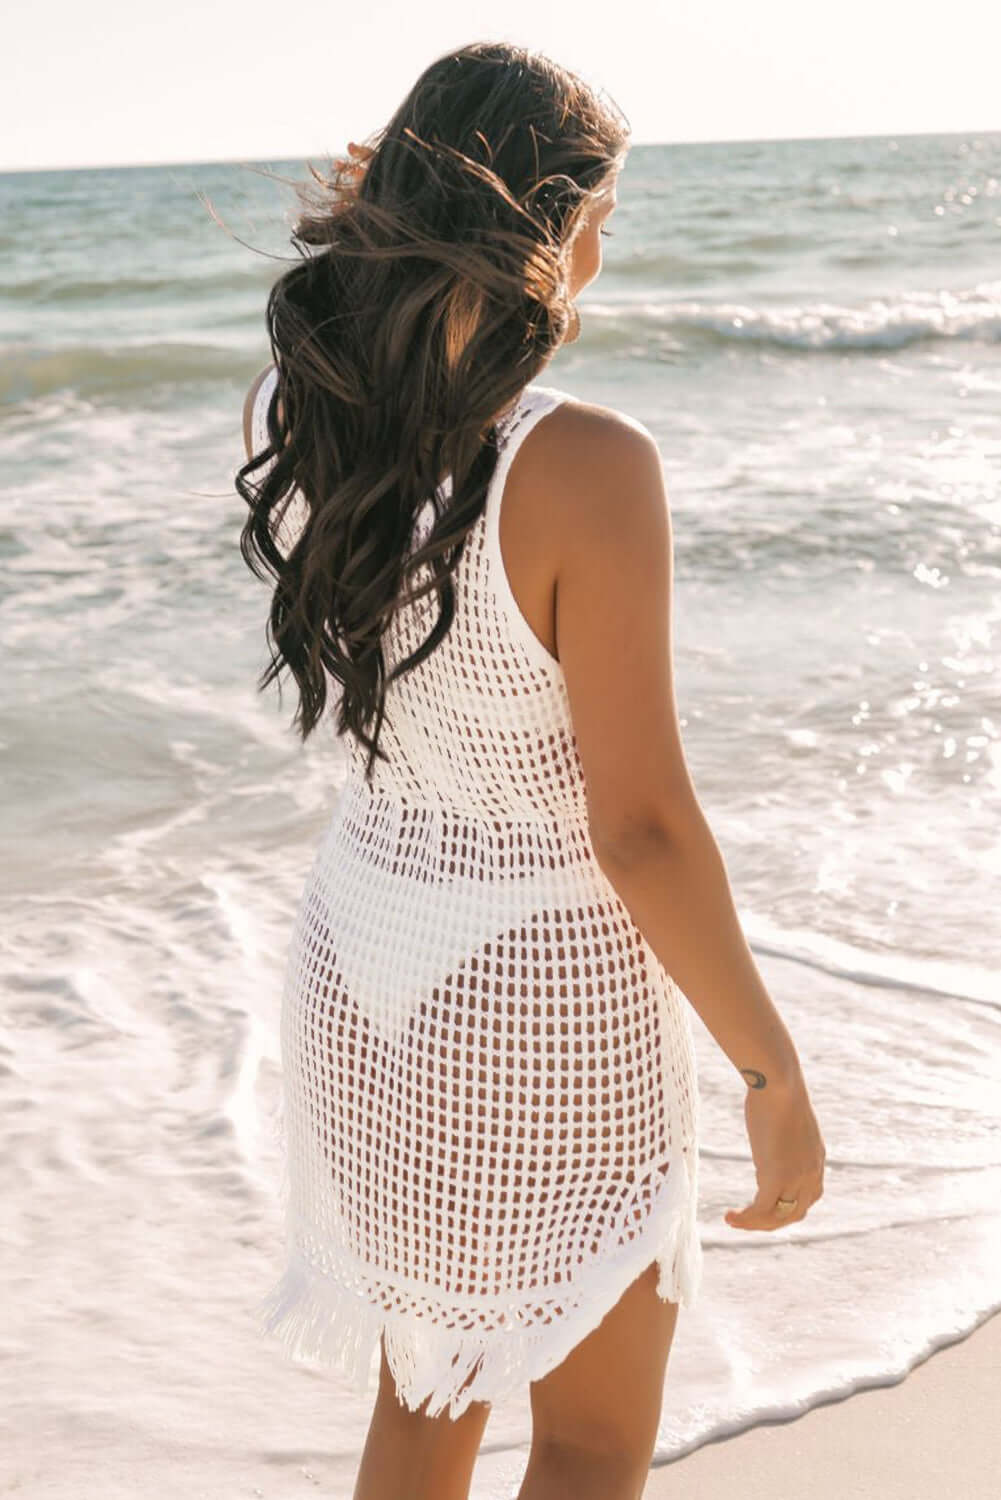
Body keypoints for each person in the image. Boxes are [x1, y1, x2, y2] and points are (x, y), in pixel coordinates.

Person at [237, 40, 825, 1500]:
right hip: (534, 997)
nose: (604, 250)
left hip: (364, 956)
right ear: (540, 223)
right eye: (599, 217)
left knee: (428, 1402)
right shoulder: (583, 464)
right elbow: (639, 829)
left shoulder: (328, 423)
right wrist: (769, 1069)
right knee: (586, 1438)